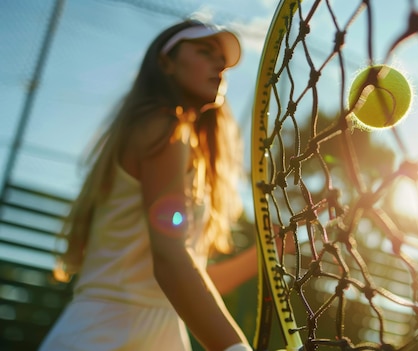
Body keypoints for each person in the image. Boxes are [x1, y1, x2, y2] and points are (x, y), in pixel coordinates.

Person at [40, 19, 257, 351]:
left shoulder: (176, 144)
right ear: (165, 62)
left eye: (223, 62)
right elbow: (170, 263)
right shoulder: (164, 130)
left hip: (137, 332)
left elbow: (188, 281)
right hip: (105, 336)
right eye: (204, 51)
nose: (219, 66)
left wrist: (271, 252)